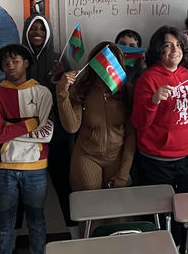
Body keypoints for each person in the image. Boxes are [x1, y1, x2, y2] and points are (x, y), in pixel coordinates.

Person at [0, 43, 55, 254]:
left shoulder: (42, 91)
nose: (10, 66)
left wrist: (10, 127)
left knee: (37, 221)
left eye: (15, 60)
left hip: (36, 166)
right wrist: (29, 123)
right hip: (4, 167)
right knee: (4, 223)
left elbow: (46, 134)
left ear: (26, 62)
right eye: (5, 63)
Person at [57, 41, 135, 192]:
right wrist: (62, 93)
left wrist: (123, 173)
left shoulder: (127, 92)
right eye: (102, 61)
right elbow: (71, 127)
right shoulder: (82, 89)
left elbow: (131, 135)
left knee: (114, 212)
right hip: (87, 156)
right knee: (92, 209)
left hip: (116, 156)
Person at [22, 13, 74, 236]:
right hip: (25, 138)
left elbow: (72, 95)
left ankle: (75, 234)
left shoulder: (58, 60)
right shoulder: (18, 59)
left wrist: (59, 78)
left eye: (42, 29)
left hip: (57, 137)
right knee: (22, 192)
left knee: (64, 186)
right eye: (33, 29)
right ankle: (16, 239)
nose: (37, 33)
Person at [130, 26, 188, 202]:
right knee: (156, 211)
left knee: (184, 211)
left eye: (179, 45)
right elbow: (138, 122)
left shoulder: (186, 74)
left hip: (184, 156)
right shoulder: (147, 78)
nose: (175, 50)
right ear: (159, 49)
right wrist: (154, 101)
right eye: (168, 45)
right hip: (156, 160)